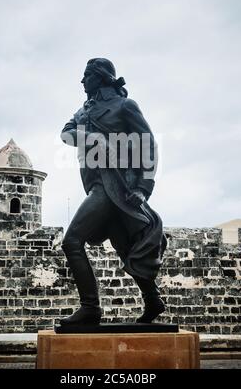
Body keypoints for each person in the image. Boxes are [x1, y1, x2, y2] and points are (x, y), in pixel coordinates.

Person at [59, 58, 167, 325]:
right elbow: (65, 133)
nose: (82, 81)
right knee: (124, 246)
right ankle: (153, 301)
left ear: (100, 76)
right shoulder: (83, 111)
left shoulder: (125, 106)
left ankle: (90, 308)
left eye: (86, 75)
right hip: (96, 184)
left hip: (116, 187)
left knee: (71, 241)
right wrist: (91, 138)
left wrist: (144, 187)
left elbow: (148, 145)